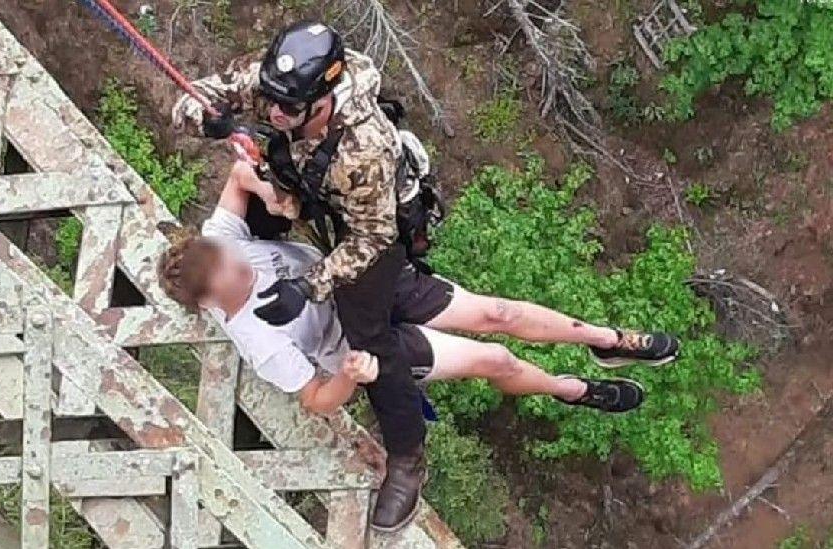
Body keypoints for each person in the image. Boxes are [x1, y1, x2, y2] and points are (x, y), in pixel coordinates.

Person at [159, 162, 681, 531]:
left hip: (361, 283)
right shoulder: (259, 340)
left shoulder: (219, 241)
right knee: (493, 360)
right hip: (362, 340)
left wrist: (267, 191)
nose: (237, 264)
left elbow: (237, 174)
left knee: (496, 314)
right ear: (209, 301)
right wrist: (351, 376)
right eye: (227, 274)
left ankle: (607, 340)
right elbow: (316, 398)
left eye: (226, 256)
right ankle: (573, 389)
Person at [172, 21, 440, 529]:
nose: (274, 113)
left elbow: (371, 238)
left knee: (370, 336)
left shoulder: (365, 148)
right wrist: (209, 118)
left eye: (288, 109)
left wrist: (309, 285)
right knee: (250, 211)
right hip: (307, 179)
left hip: (366, 221)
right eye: (270, 101)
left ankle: (407, 457)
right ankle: (254, 269)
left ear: (324, 102)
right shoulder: (283, 88)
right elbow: (199, 96)